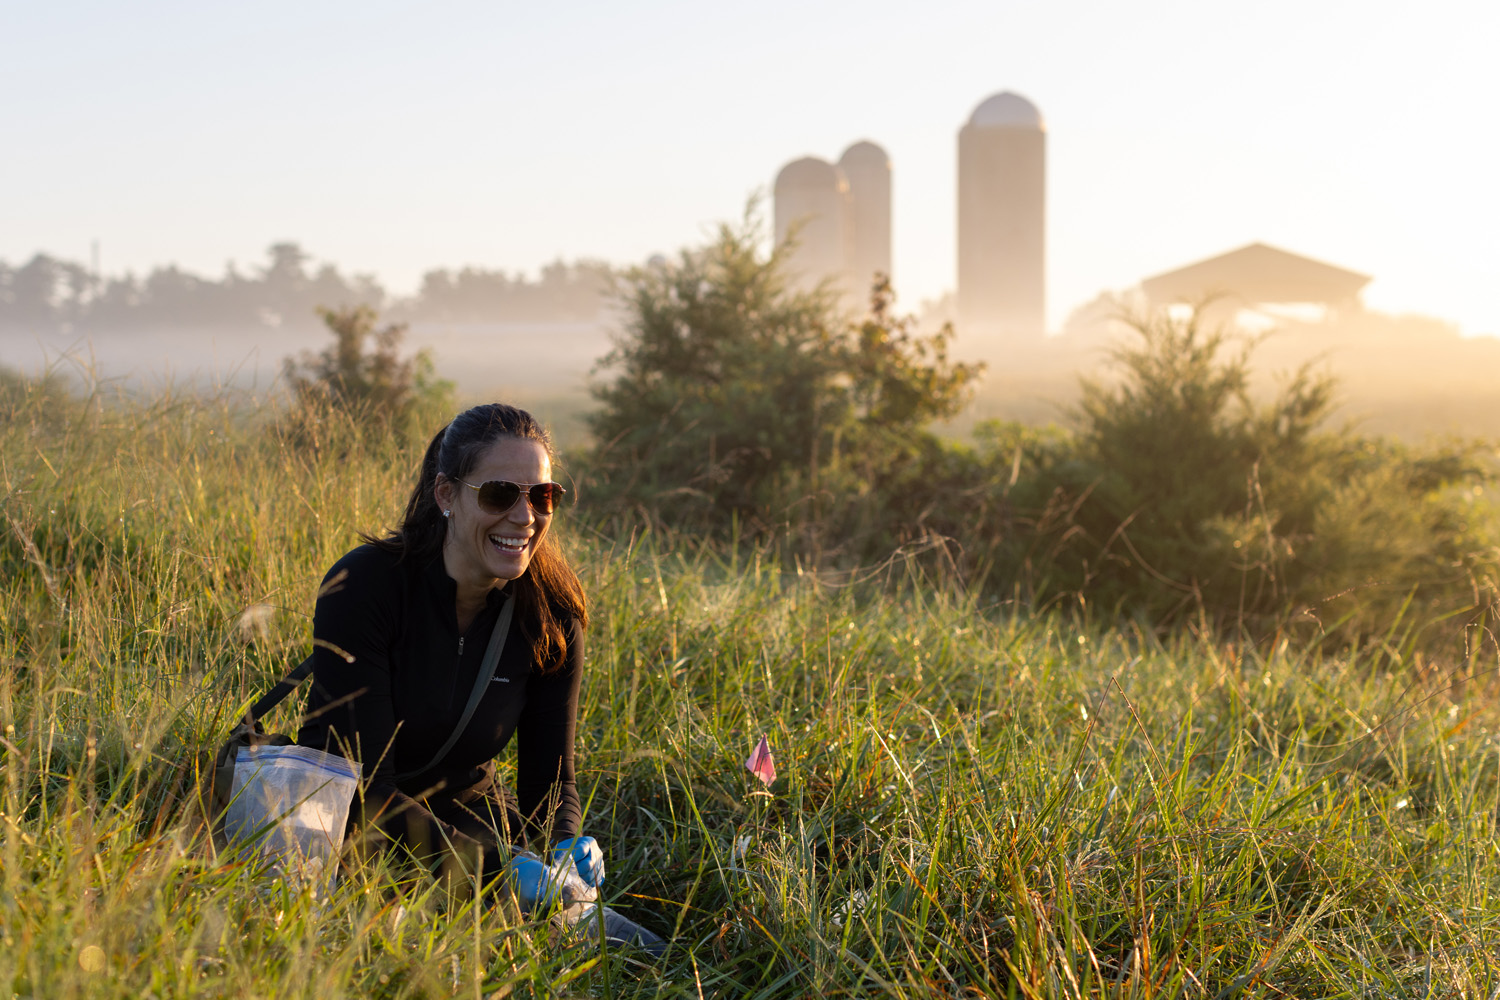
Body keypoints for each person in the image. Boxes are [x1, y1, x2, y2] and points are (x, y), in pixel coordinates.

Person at [296, 402, 603, 904]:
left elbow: (551, 779)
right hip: (347, 826)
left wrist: (566, 840)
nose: (525, 517)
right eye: (501, 494)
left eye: (543, 496)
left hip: (469, 819)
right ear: (446, 494)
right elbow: (365, 789)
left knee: (612, 942)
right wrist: (497, 872)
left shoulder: (552, 614)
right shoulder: (365, 586)